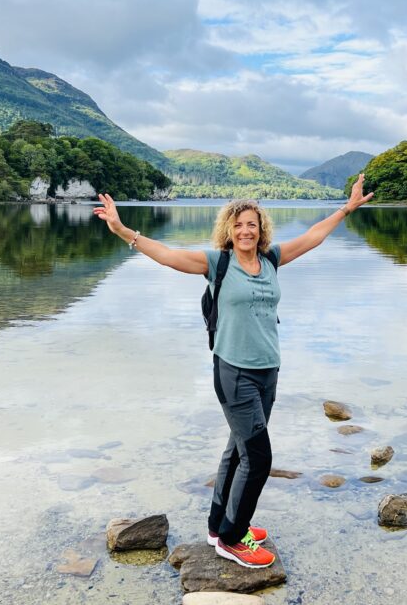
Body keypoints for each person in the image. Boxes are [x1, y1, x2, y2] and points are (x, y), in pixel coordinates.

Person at [92, 175, 373, 568]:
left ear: (261, 231)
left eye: (252, 225)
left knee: (236, 452)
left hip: (267, 372)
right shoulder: (216, 263)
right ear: (228, 229)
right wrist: (123, 230)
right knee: (258, 458)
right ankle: (231, 538)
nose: (245, 230)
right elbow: (168, 255)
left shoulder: (271, 258)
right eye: (238, 224)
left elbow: (313, 236)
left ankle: (217, 525)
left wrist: (346, 208)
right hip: (234, 373)